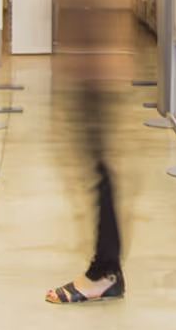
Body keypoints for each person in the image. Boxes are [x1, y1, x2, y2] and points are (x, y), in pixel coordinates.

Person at [47, 51, 125, 304]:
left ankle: (105, 273)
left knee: (101, 170)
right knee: (98, 168)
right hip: (91, 64)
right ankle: (105, 270)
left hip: (95, 66)